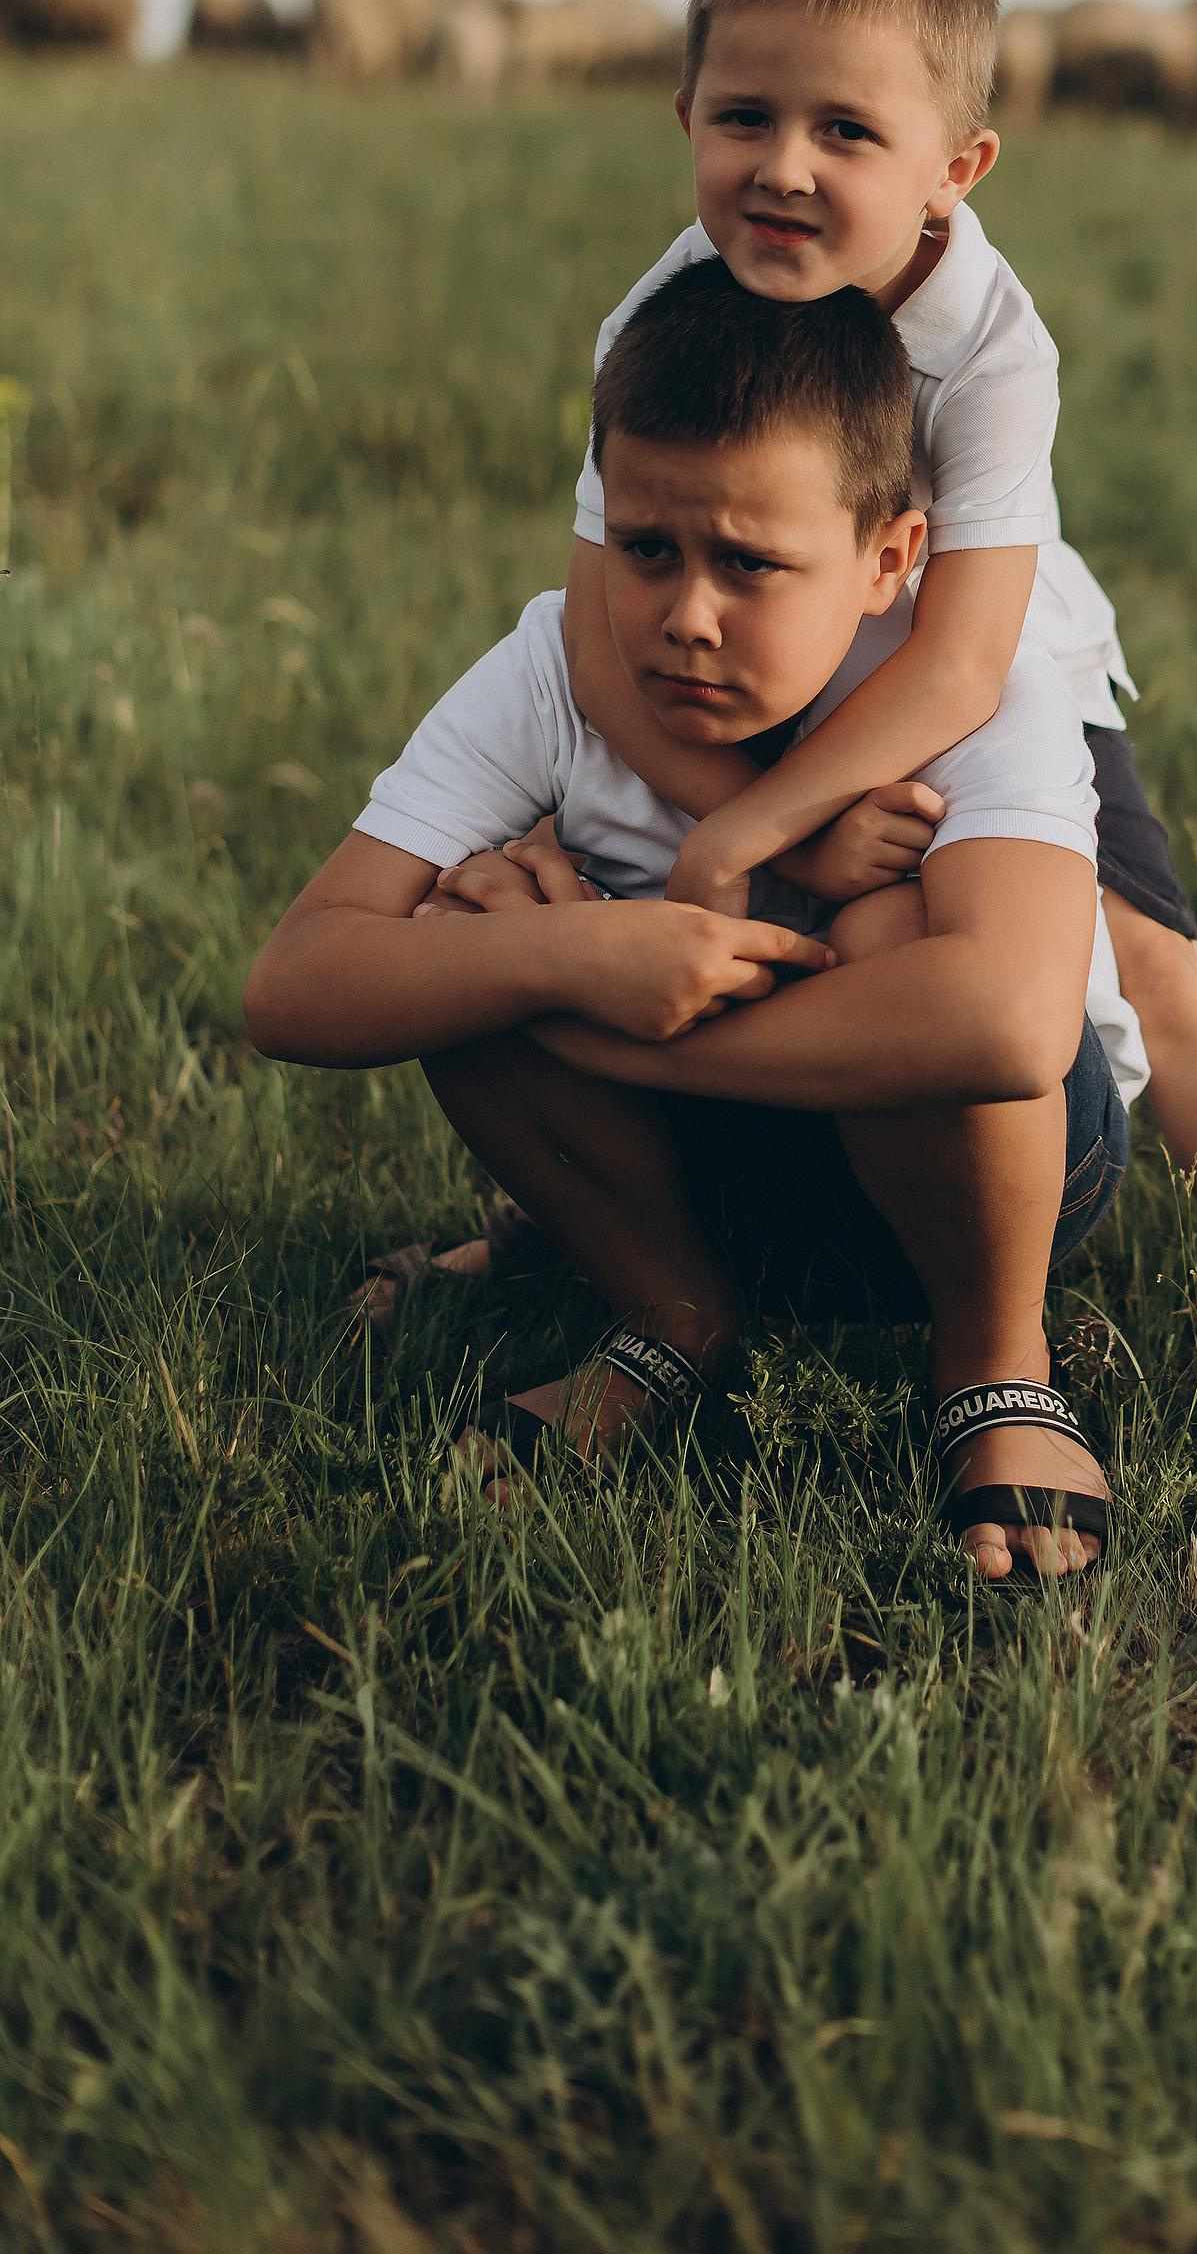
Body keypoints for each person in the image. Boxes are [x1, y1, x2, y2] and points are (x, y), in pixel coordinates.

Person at [544, 0, 1197, 1527]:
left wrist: (756, 824)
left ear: (958, 165)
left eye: (846, 132)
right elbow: (603, 626)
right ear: (683, 118)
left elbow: (961, 662)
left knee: (1145, 960)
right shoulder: (658, 318)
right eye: (744, 116)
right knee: (579, 886)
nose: (785, 166)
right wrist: (734, 824)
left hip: (983, 662)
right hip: (728, 661)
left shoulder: (994, 348)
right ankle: (602, 1216)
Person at [244, 262, 1145, 1581]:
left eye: (752, 565)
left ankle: (996, 1364)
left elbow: (1009, 1026)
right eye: (648, 550)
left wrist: (612, 1018)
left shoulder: (968, 692)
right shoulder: (551, 673)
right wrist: (561, 955)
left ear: (891, 558)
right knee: (477, 924)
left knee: (903, 940)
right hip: (698, 1189)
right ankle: (670, 1317)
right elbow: (294, 985)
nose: (687, 618)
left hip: (994, 1186)